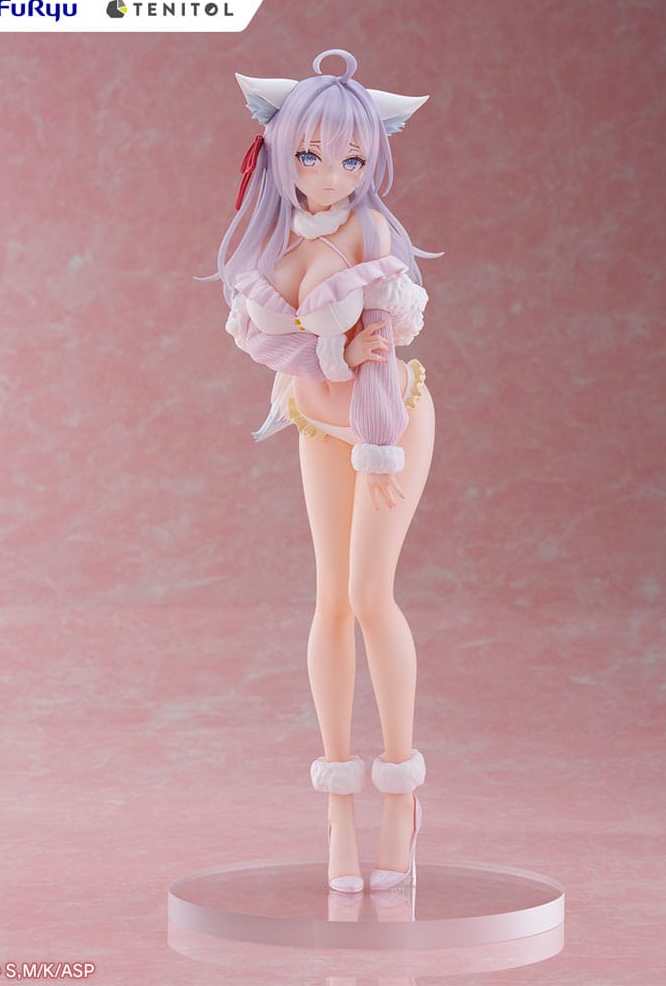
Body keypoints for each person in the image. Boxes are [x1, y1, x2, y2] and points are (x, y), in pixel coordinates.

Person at [201, 49, 437, 894]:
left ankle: (400, 797)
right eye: (310, 156)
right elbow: (271, 345)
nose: (330, 176)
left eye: (351, 160)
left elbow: (384, 339)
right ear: (279, 149)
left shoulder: (371, 232)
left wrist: (352, 356)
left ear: (371, 161)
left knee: (371, 596)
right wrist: (327, 352)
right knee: (330, 602)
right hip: (314, 421)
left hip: (386, 420)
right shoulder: (269, 238)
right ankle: (339, 808)